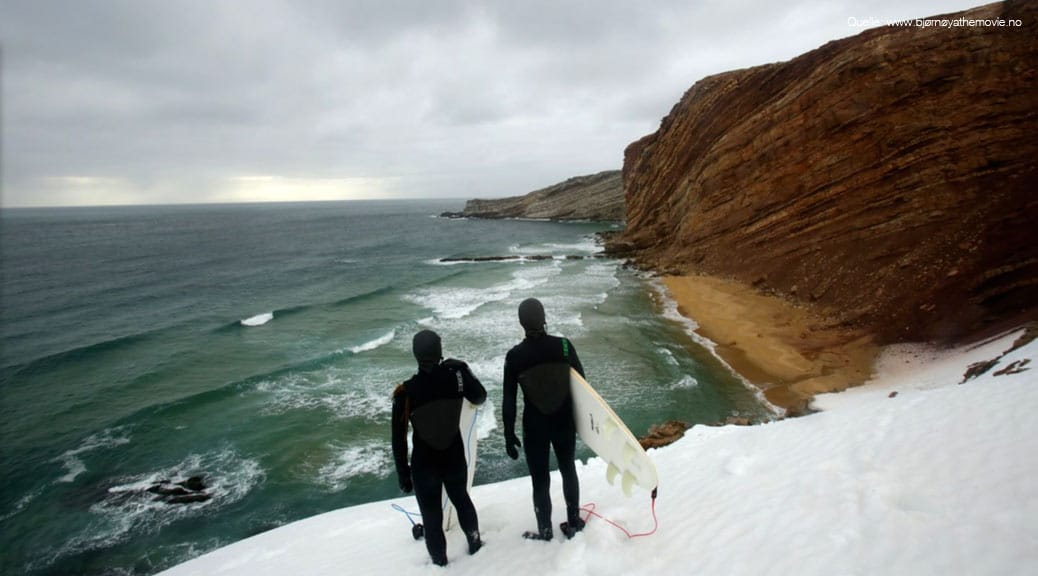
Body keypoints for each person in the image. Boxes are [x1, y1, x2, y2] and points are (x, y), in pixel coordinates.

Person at [392, 329, 487, 566]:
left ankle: (440, 563)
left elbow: (399, 439)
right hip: (454, 457)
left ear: (416, 355)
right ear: (440, 351)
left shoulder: (405, 392)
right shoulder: (457, 376)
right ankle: (475, 544)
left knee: (431, 517)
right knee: (462, 500)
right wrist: (464, 367)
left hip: (425, 466)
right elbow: (480, 397)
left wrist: (404, 474)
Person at [502, 298, 587, 541]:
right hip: (563, 422)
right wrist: (583, 421)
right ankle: (574, 522)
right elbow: (582, 384)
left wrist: (509, 434)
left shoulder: (514, 356)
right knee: (568, 468)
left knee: (540, 480)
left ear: (521, 322)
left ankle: (546, 531)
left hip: (535, 427)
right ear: (544, 317)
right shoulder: (563, 346)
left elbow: (509, 400)